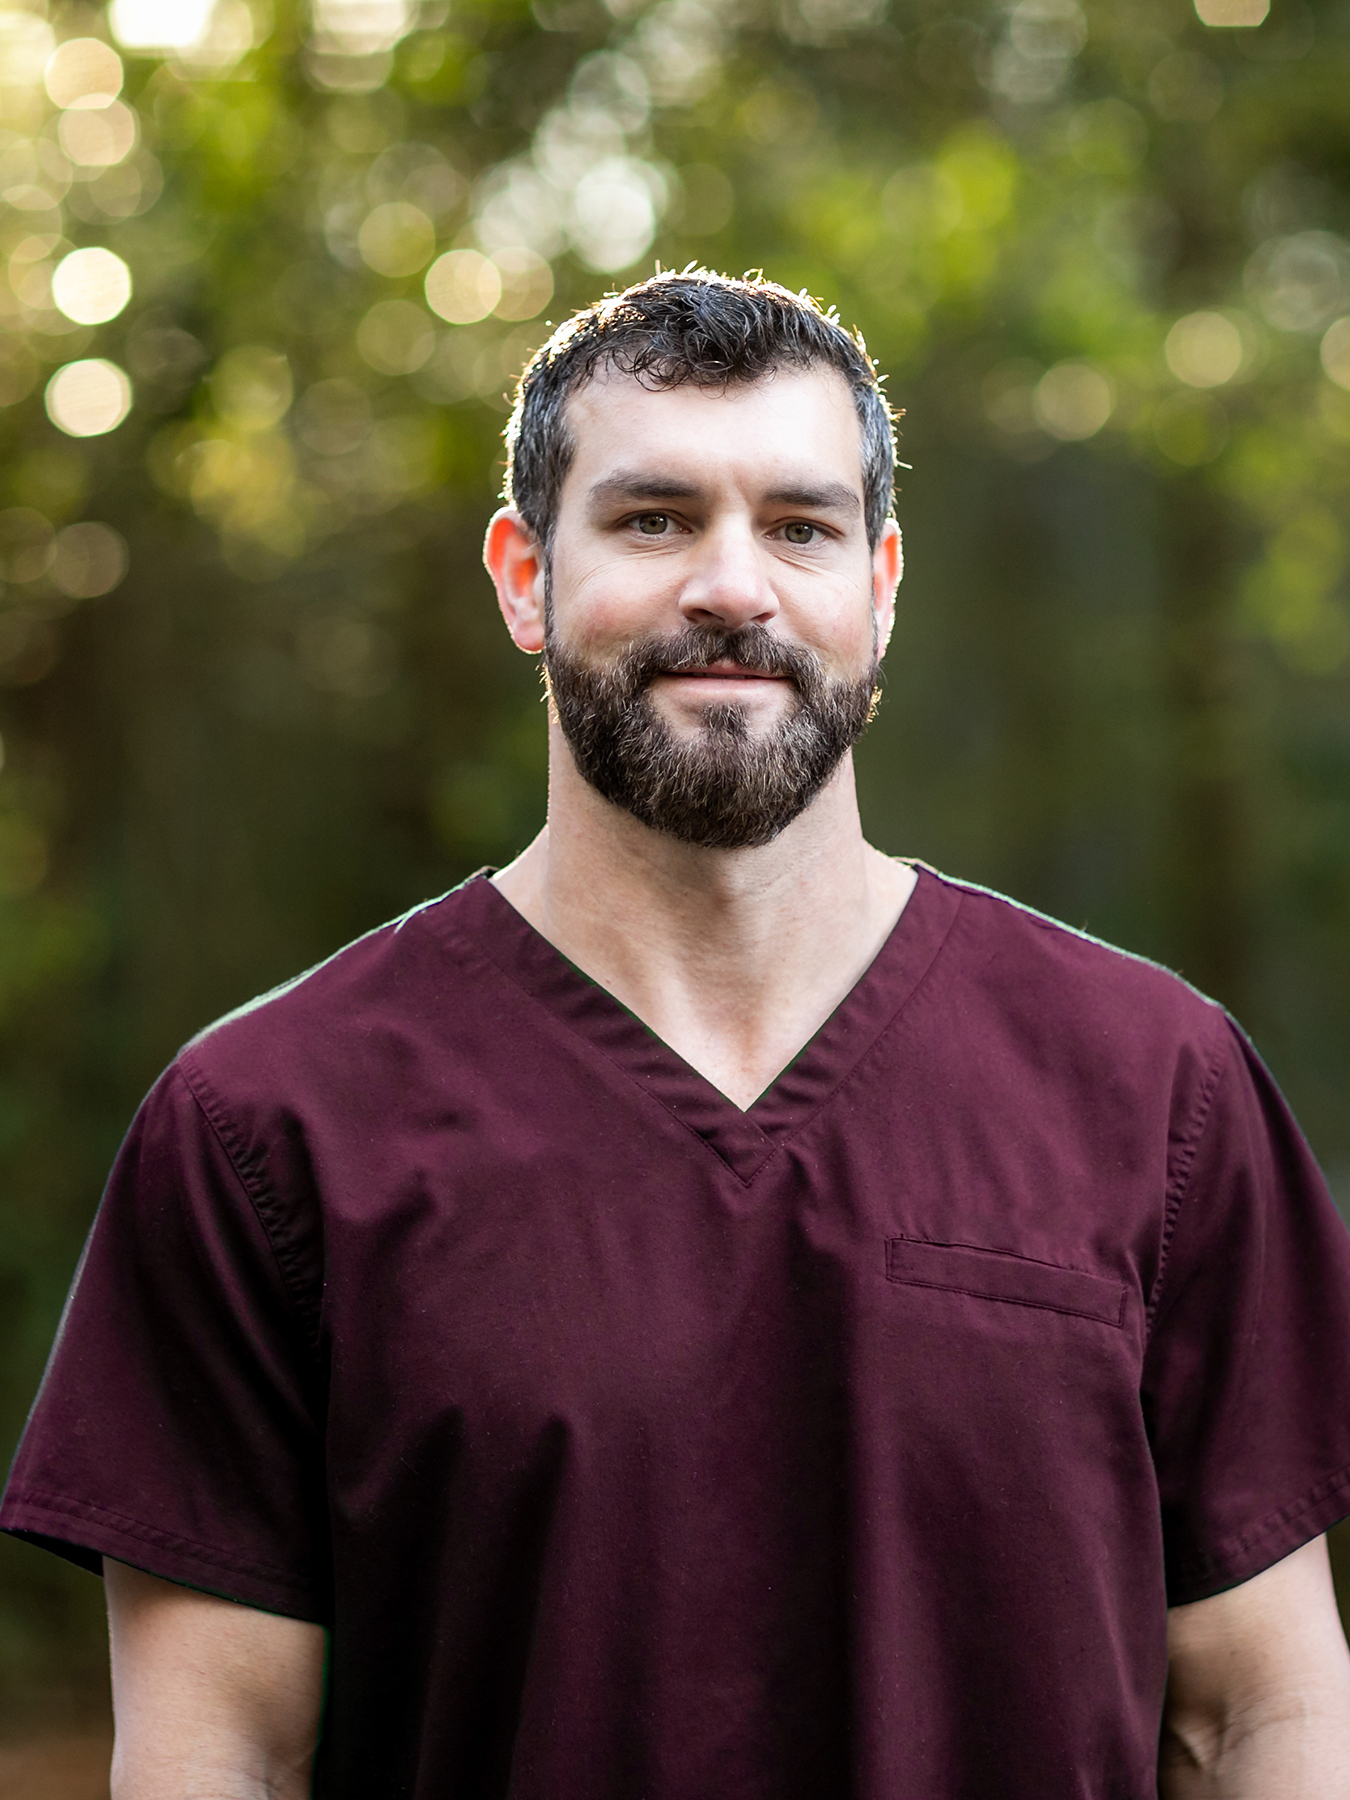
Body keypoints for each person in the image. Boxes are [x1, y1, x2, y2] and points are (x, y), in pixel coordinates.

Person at [4, 270, 1350, 1800]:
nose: (733, 586)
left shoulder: (1149, 1088)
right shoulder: (267, 1130)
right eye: (653, 521)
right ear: (522, 575)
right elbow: (217, 1755)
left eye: (799, 526)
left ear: (880, 583)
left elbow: (1255, 1717)